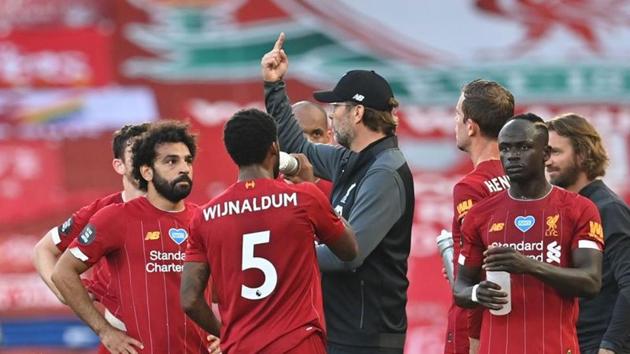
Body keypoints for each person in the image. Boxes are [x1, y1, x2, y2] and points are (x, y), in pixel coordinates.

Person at [262, 33, 415, 353]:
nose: (331, 115)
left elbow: (350, 253)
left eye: (336, 107)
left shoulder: (384, 172)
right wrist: (275, 87)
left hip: (367, 338)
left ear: (357, 112)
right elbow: (300, 147)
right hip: (344, 329)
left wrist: (283, 253)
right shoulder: (352, 158)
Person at [181, 108, 358, 353]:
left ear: (233, 154)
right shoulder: (304, 198)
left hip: (241, 346)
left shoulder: (205, 216)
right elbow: (349, 250)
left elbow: (189, 299)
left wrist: (228, 334)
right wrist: (310, 186)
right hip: (298, 344)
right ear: (274, 148)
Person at [52, 121, 210, 354]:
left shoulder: (205, 219)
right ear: (147, 171)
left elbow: (228, 284)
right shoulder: (115, 217)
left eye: (188, 160)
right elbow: (62, 272)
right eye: (171, 161)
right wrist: (104, 330)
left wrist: (221, 331)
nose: (184, 168)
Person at [454, 114, 604, 354]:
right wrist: (475, 293)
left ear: (545, 154)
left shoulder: (580, 209)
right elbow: (460, 287)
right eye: (505, 148)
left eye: (523, 147)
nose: (512, 155)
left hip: (555, 347)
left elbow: (591, 281)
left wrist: (528, 265)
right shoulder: (479, 214)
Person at [33, 123, 149, 341]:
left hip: (180, 337)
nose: (145, 160)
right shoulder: (101, 211)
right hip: (125, 340)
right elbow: (44, 249)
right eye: (137, 153)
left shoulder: (182, 211)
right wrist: (66, 294)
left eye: (151, 151)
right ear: (119, 165)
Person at [546, 113, 630, 354]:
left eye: (556, 152)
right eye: (546, 153)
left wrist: (610, 345)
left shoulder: (609, 209)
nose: (548, 161)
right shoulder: (564, 212)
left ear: (582, 154)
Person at [444, 79, 514, 354]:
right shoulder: (522, 180)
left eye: (457, 115)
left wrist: (474, 340)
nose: (455, 123)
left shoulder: (471, 187)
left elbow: (479, 269)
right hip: (511, 320)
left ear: (471, 126)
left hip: (477, 324)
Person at [288, 100, 334, 197]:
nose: (308, 142)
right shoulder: (270, 187)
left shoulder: (341, 186)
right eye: (299, 135)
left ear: (328, 138)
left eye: (316, 134)